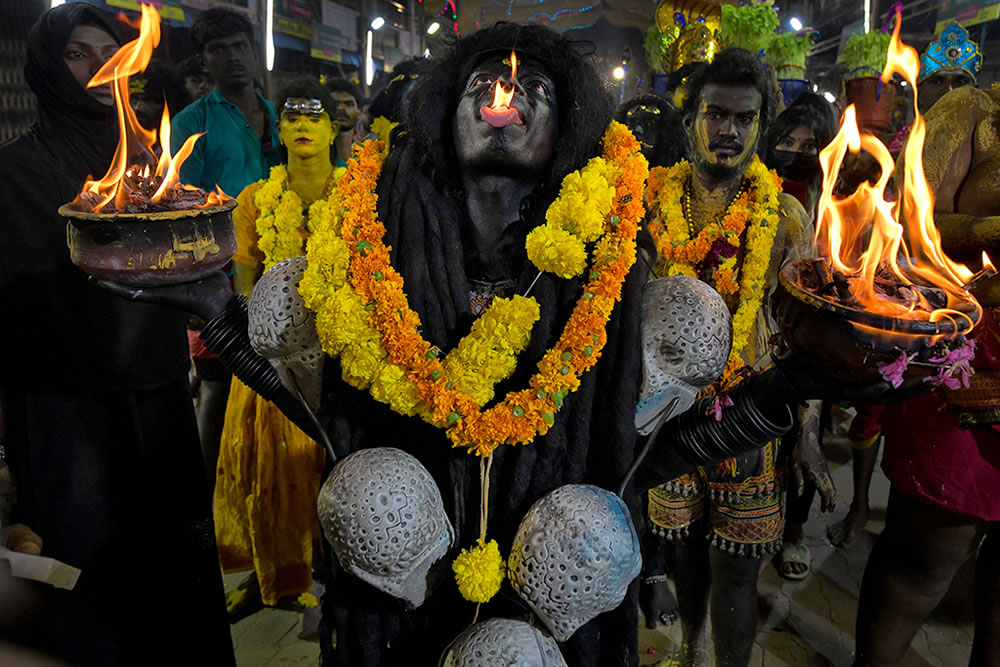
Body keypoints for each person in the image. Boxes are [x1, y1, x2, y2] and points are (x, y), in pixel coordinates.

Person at [103, 23, 903, 667]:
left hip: (551, 613)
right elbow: (327, 420)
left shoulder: (609, 269)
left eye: (535, 85)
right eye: (485, 77)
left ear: (566, 134)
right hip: (402, 611)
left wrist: (791, 387)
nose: (506, 89)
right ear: (444, 114)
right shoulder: (371, 255)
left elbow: (643, 457)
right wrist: (217, 314)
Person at [0, 3, 233, 665]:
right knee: (87, 586)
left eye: (109, 53)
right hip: (65, 413)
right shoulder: (12, 174)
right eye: (79, 53)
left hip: (156, 397)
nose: (98, 69)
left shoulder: (151, 174)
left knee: (173, 572)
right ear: (47, 67)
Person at [641, 48, 829, 665]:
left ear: (760, 127)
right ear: (690, 116)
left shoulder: (786, 217)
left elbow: (808, 334)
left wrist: (807, 435)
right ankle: (690, 649)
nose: (728, 130)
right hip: (665, 412)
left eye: (743, 119)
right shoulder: (647, 204)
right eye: (714, 113)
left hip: (748, 414)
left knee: (738, 568)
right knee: (682, 551)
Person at [851, 78, 1000, 666]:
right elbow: (914, 226)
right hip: (974, 369)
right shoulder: (973, 111)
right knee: (927, 556)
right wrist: (990, 233)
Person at [829, 22, 985, 549]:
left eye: (960, 81)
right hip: (894, 303)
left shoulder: (972, 139)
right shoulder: (898, 147)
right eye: (940, 82)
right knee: (871, 413)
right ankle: (857, 506)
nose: (948, 93)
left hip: (953, 315)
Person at [216, 78, 338, 616]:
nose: (304, 126)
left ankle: (340, 574)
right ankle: (280, 575)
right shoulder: (256, 199)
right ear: (280, 130)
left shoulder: (362, 193)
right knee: (270, 472)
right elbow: (244, 278)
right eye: (292, 118)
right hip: (272, 358)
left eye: (316, 117)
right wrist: (262, 338)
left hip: (343, 354)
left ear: (337, 128)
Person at [170, 7, 280, 197]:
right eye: (218, 49)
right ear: (202, 62)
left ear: (255, 53)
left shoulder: (281, 116)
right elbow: (183, 199)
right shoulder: (190, 123)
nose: (233, 58)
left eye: (240, 46)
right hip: (220, 227)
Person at [763, 92, 838, 216]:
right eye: (787, 143)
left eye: (809, 146)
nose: (797, 152)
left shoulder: (830, 204)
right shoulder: (751, 192)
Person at [614, 93, 685, 169]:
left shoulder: (682, 176)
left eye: (649, 124)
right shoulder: (608, 173)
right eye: (632, 123)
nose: (637, 130)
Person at [129, 59, 192, 132]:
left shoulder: (184, 131)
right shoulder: (120, 133)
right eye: (135, 99)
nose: (138, 107)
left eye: (147, 100)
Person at [326, 77, 362, 165]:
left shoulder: (368, 154)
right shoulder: (313, 156)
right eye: (334, 104)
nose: (341, 108)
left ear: (359, 112)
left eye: (349, 104)